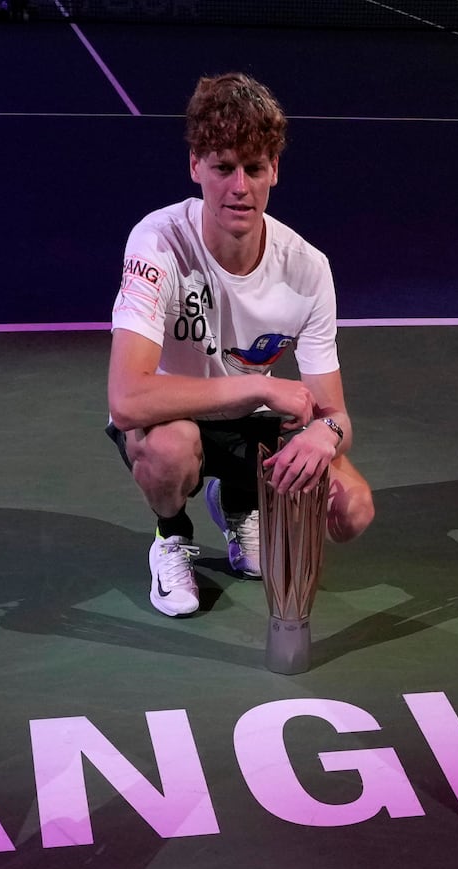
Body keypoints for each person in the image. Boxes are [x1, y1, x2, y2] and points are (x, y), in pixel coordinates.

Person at [106, 72, 374, 618]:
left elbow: (337, 415)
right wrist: (258, 385)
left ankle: (240, 500)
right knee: (171, 448)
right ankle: (171, 534)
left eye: (254, 169)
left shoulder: (308, 269)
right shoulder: (157, 242)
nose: (239, 187)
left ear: (274, 170)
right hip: (170, 416)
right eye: (223, 168)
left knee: (353, 510)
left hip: (252, 426)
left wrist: (325, 435)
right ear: (195, 167)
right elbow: (127, 400)